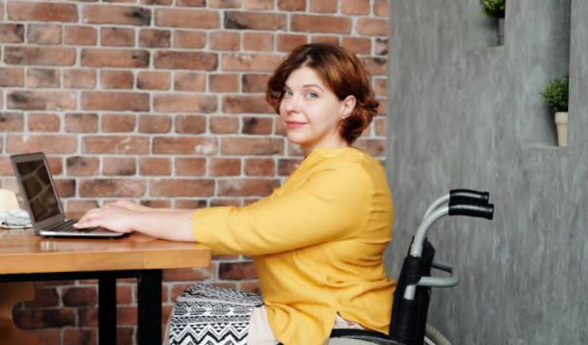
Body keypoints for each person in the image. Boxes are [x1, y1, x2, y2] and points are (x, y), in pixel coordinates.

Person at [74, 43, 395, 345]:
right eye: (288, 93)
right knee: (191, 301)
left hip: (336, 322)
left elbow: (248, 227)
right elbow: (254, 217)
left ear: (346, 106)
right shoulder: (324, 167)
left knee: (189, 322)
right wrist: (139, 213)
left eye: (311, 94)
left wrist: (136, 218)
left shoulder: (347, 176)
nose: (292, 106)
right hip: (305, 308)